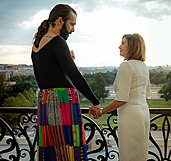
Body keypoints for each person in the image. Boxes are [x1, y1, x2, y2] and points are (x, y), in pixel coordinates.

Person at [31, 4, 100, 161]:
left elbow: (48, 75)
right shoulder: (58, 42)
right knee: (67, 149)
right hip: (62, 104)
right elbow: (75, 76)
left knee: (52, 150)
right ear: (60, 21)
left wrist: (67, 58)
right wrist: (95, 101)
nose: (73, 29)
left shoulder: (36, 45)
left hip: (46, 103)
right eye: (72, 24)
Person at [90, 33, 152, 161]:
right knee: (140, 154)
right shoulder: (143, 66)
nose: (119, 46)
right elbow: (146, 93)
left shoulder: (126, 66)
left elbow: (122, 98)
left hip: (130, 116)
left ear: (132, 47)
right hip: (144, 113)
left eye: (123, 43)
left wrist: (102, 111)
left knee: (129, 155)